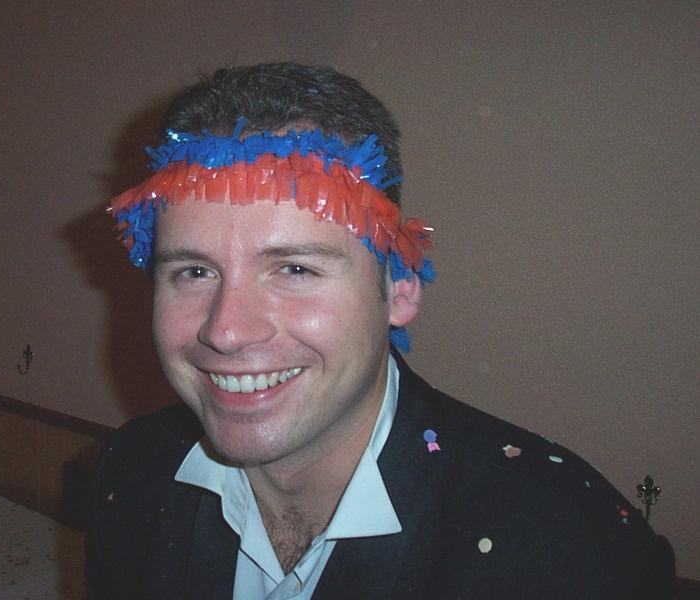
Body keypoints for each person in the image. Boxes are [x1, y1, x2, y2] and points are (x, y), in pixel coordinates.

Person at [86, 62, 675, 599]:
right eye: (193, 271)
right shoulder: (131, 471)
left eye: (295, 269)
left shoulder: (573, 552)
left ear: (400, 287)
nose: (227, 332)